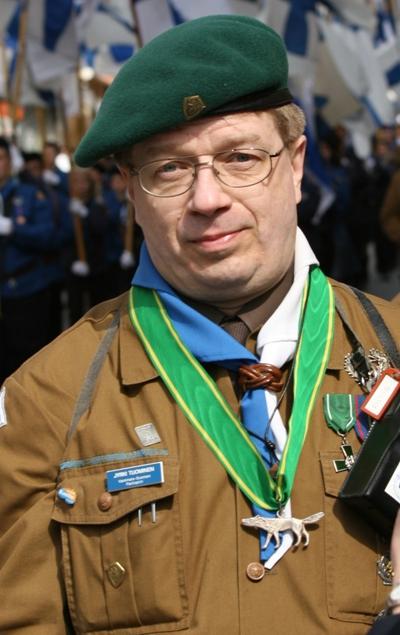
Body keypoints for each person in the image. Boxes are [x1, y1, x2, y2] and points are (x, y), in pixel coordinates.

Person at [0, 15, 399, 635]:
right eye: (169, 169)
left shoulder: (392, 345)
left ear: (296, 166)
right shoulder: (48, 399)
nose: (208, 198)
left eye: (241, 158)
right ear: (131, 193)